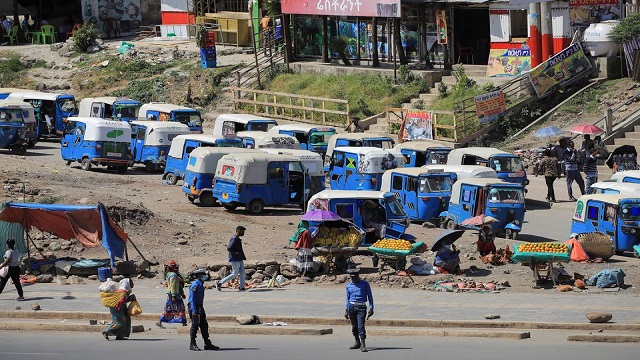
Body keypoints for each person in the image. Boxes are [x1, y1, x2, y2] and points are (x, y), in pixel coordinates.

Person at [188, 268, 219, 351]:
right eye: (204, 275)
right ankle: (192, 343)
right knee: (195, 325)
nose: (206, 276)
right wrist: (194, 311)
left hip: (199, 307)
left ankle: (207, 343)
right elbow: (192, 300)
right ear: (199, 276)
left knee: (204, 325)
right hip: (194, 307)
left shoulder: (200, 284)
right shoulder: (195, 285)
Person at [344, 267, 374, 352]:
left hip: (361, 307)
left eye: (355, 277)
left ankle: (363, 344)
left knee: (361, 326)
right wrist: (346, 310)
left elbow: (370, 296)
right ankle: (357, 342)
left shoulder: (365, 284)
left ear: (358, 275)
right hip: (351, 307)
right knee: (354, 326)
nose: (354, 278)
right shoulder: (348, 286)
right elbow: (347, 298)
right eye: (352, 277)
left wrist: (371, 308)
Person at [156, 260, 187, 328]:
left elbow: (178, 286)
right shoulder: (173, 275)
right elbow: (173, 286)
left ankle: (184, 322)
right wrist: (173, 296)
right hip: (174, 295)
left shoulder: (173, 275)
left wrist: (182, 293)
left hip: (176, 295)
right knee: (177, 309)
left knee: (171, 309)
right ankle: (183, 323)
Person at [216, 226, 247, 291]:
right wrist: (236, 253)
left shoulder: (237, 238)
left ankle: (242, 287)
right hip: (235, 259)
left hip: (239, 258)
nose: (243, 233)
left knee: (242, 273)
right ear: (238, 231)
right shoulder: (234, 238)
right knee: (234, 273)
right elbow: (229, 248)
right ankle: (220, 282)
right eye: (242, 231)